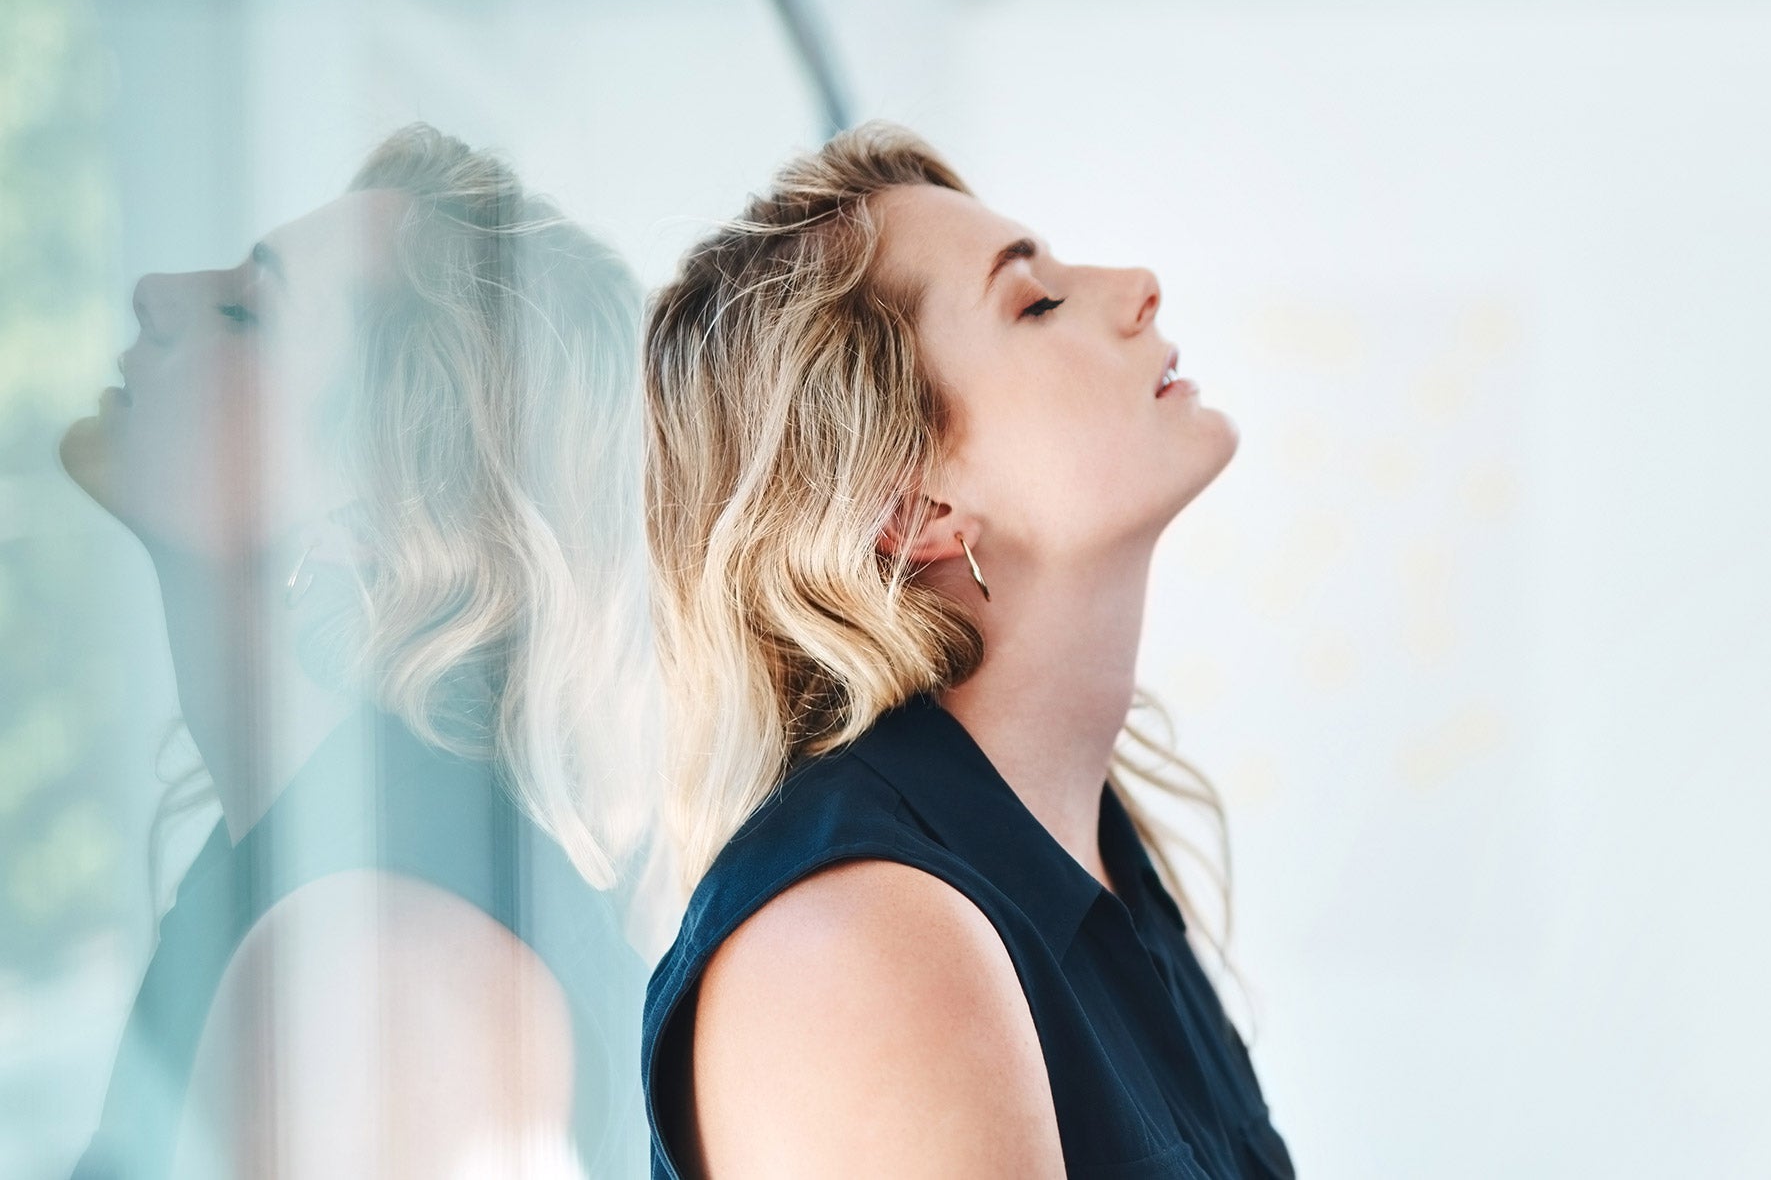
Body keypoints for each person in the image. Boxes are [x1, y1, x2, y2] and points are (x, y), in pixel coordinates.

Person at [639, 122, 1296, 1178]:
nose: (1137, 285)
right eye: (1033, 303)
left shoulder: (1099, 858)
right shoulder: (860, 945)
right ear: (915, 504)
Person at [58, 125, 652, 1179]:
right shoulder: (298, 868)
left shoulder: (383, 969)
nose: (154, 291)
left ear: (376, 514)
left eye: (247, 311)